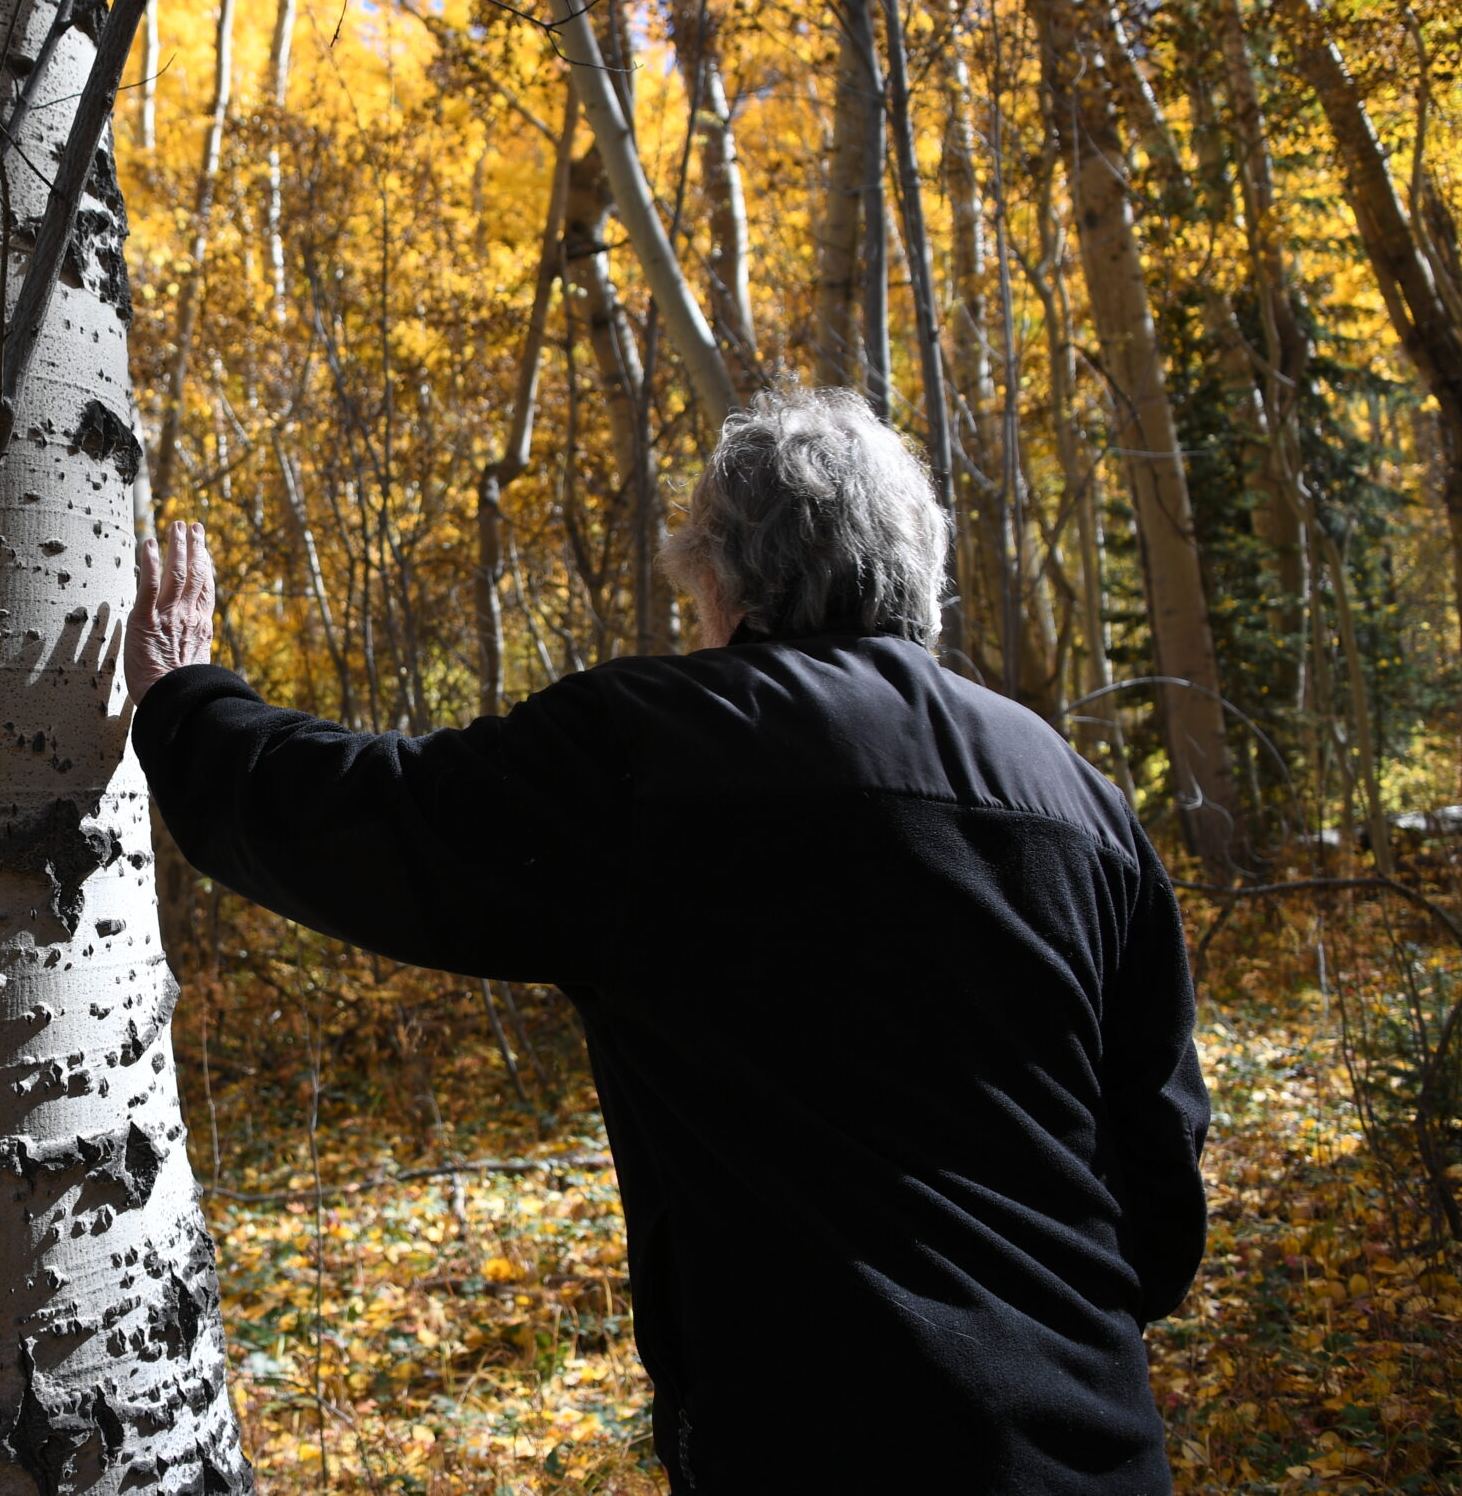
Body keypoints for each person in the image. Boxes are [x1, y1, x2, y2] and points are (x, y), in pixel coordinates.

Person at [122, 387, 1208, 1495]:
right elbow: (1159, 1205)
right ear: (917, 576)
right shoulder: (1083, 805)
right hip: (1099, 1448)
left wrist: (187, 704)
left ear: (724, 582)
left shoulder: (660, 753)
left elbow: (379, 823)